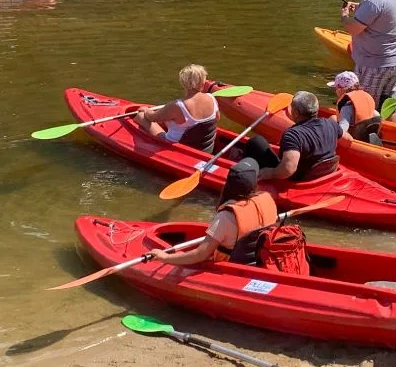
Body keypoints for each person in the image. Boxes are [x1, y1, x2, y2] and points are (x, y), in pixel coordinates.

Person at [147, 158, 278, 265]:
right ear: (255, 184)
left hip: (231, 265)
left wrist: (164, 257)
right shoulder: (268, 199)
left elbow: (200, 255)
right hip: (259, 258)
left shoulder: (226, 217)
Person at [242, 91, 340, 181]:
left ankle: (242, 164)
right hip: (325, 172)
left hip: (299, 178)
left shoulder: (293, 134)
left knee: (256, 141)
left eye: (292, 108)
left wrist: (270, 173)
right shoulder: (330, 124)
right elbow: (346, 139)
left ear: (296, 113)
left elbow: (288, 169)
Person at [135, 64, 218, 152]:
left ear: (183, 83)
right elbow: (217, 117)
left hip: (175, 145)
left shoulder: (177, 105)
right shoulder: (212, 98)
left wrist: (146, 110)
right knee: (170, 119)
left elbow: (152, 118)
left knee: (141, 116)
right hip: (206, 147)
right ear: (203, 82)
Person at [327, 71, 381, 141]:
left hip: (354, 138)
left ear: (342, 89)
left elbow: (342, 129)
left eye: (336, 88)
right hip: (367, 136)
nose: (335, 91)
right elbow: (377, 115)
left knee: (332, 118)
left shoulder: (346, 107)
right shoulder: (363, 100)